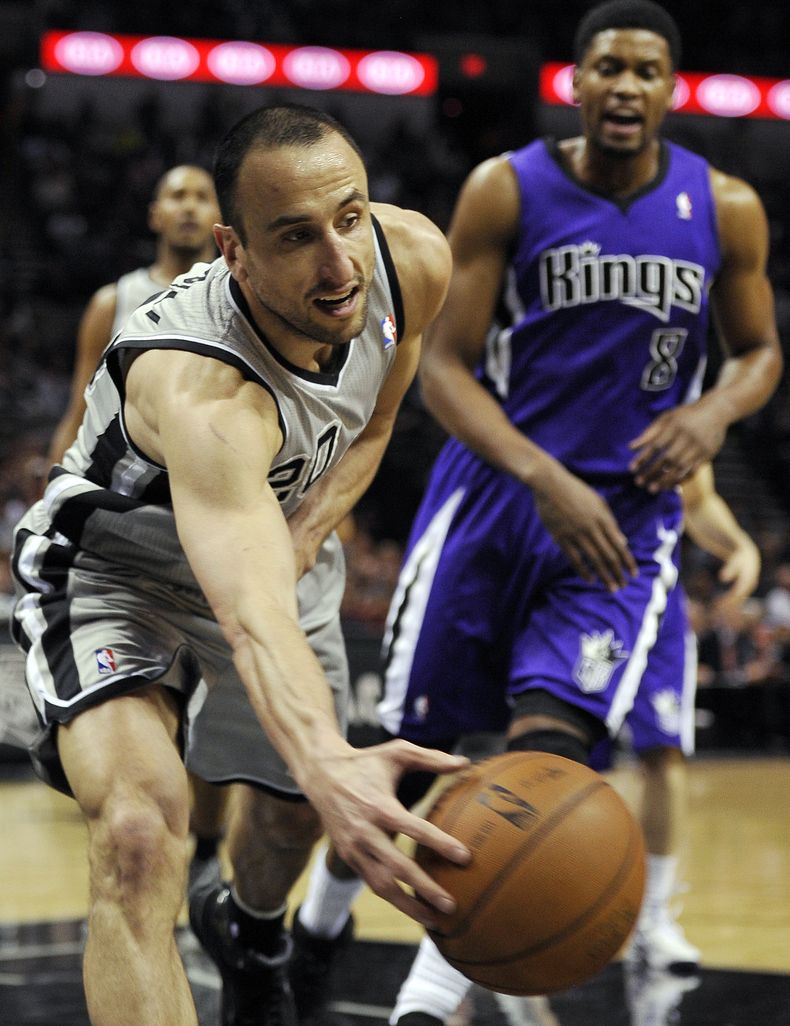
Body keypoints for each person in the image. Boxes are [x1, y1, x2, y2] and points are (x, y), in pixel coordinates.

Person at [288, 0, 782, 1018]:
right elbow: (446, 371)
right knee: (415, 754)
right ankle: (315, 933)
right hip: (497, 496)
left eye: (646, 69)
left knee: (545, 759)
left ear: (670, 87)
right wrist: (546, 480)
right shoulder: (505, 187)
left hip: (624, 522)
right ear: (577, 80)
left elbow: (760, 352)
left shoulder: (724, 205)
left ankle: (424, 1004)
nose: (625, 86)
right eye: (607, 66)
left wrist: (714, 411)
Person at [9, 103, 472, 1026]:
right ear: (235, 250)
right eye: (296, 237)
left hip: (274, 547)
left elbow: (373, 425)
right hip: (118, 576)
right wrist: (328, 756)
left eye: (349, 218)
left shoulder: (412, 260)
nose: (340, 266)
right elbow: (251, 614)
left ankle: (253, 930)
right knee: (139, 836)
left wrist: (304, 534)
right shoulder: (205, 389)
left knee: (294, 816)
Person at [45, 162, 229, 885]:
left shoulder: (238, 296)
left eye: (201, 197)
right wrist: (57, 489)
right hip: (126, 520)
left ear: (220, 217)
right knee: (142, 704)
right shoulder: (113, 301)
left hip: (214, 516)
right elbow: (79, 404)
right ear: (154, 214)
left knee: (218, 710)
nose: (188, 208)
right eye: (176, 196)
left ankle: (207, 852)